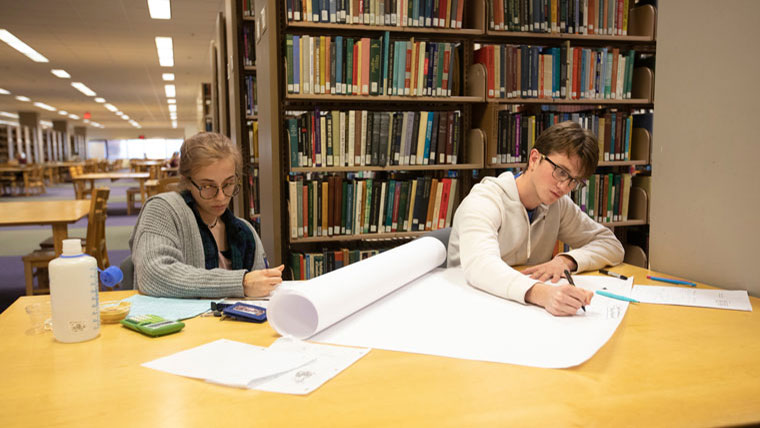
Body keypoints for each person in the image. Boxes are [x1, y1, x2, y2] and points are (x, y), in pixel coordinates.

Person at [447, 121, 624, 316]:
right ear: (534, 159)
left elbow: (610, 244)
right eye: (561, 172)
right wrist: (544, 293)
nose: (564, 186)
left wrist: (566, 260)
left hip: (520, 311)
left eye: (574, 181)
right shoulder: (485, 200)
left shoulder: (558, 205)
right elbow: (480, 266)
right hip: (469, 308)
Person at [120, 132, 284, 298]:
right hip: (178, 323)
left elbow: (261, 295)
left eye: (228, 184)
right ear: (187, 181)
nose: (220, 197)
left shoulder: (245, 232)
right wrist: (240, 283)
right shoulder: (162, 210)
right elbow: (153, 276)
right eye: (207, 186)